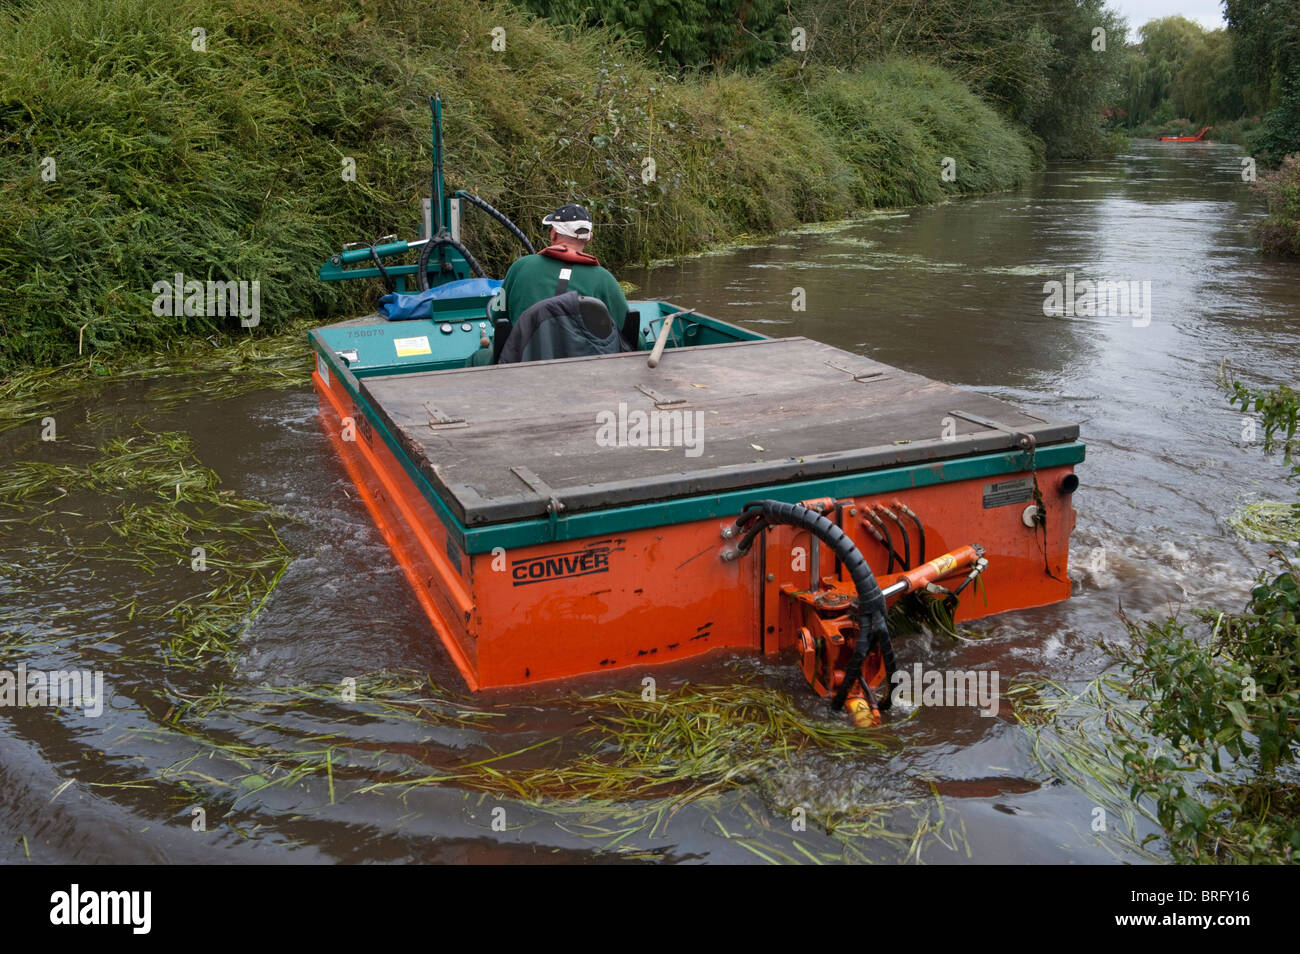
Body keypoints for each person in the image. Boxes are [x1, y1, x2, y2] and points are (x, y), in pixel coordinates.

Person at [495, 203, 629, 343]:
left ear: (554, 233)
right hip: (584, 363)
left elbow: (498, 317)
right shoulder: (604, 279)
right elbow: (628, 332)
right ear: (589, 238)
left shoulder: (519, 267)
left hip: (524, 359)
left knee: (479, 358)